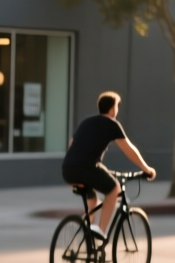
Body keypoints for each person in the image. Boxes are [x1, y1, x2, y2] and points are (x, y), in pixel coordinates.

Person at [62, 91, 155, 240]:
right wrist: (146, 169)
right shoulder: (112, 124)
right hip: (87, 168)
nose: (117, 109)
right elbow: (129, 150)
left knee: (92, 200)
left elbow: (72, 143)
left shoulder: (86, 122)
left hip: (68, 169)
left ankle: (88, 236)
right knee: (114, 189)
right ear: (112, 109)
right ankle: (100, 230)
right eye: (117, 106)